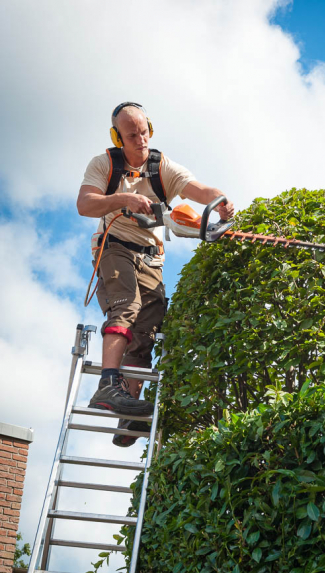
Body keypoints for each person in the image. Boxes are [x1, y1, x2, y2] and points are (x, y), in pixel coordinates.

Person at [77, 102, 234, 446]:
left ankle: (129, 413)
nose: (141, 140)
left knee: (147, 329)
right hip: (115, 245)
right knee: (126, 307)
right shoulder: (105, 164)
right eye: (132, 135)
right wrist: (122, 200)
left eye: (144, 132)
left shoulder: (161, 167)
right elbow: (85, 204)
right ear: (118, 137)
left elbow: (197, 189)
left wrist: (220, 201)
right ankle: (108, 383)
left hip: (152, 259)